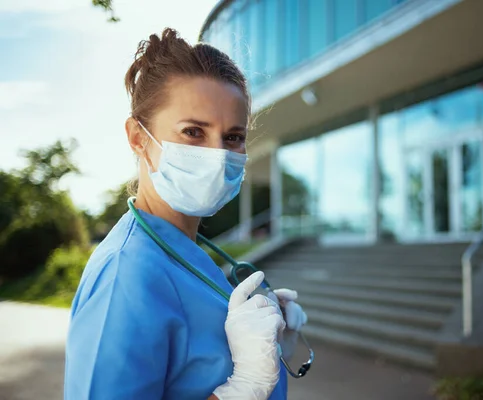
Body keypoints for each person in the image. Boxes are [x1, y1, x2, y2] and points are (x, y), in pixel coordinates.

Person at [64, 28, 307, 400]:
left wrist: (271, 344)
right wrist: (245, 386)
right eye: (193, 131)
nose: (217, 154)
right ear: (138, 137)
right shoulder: (124, 275)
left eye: (233, 137)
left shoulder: (182, 250)